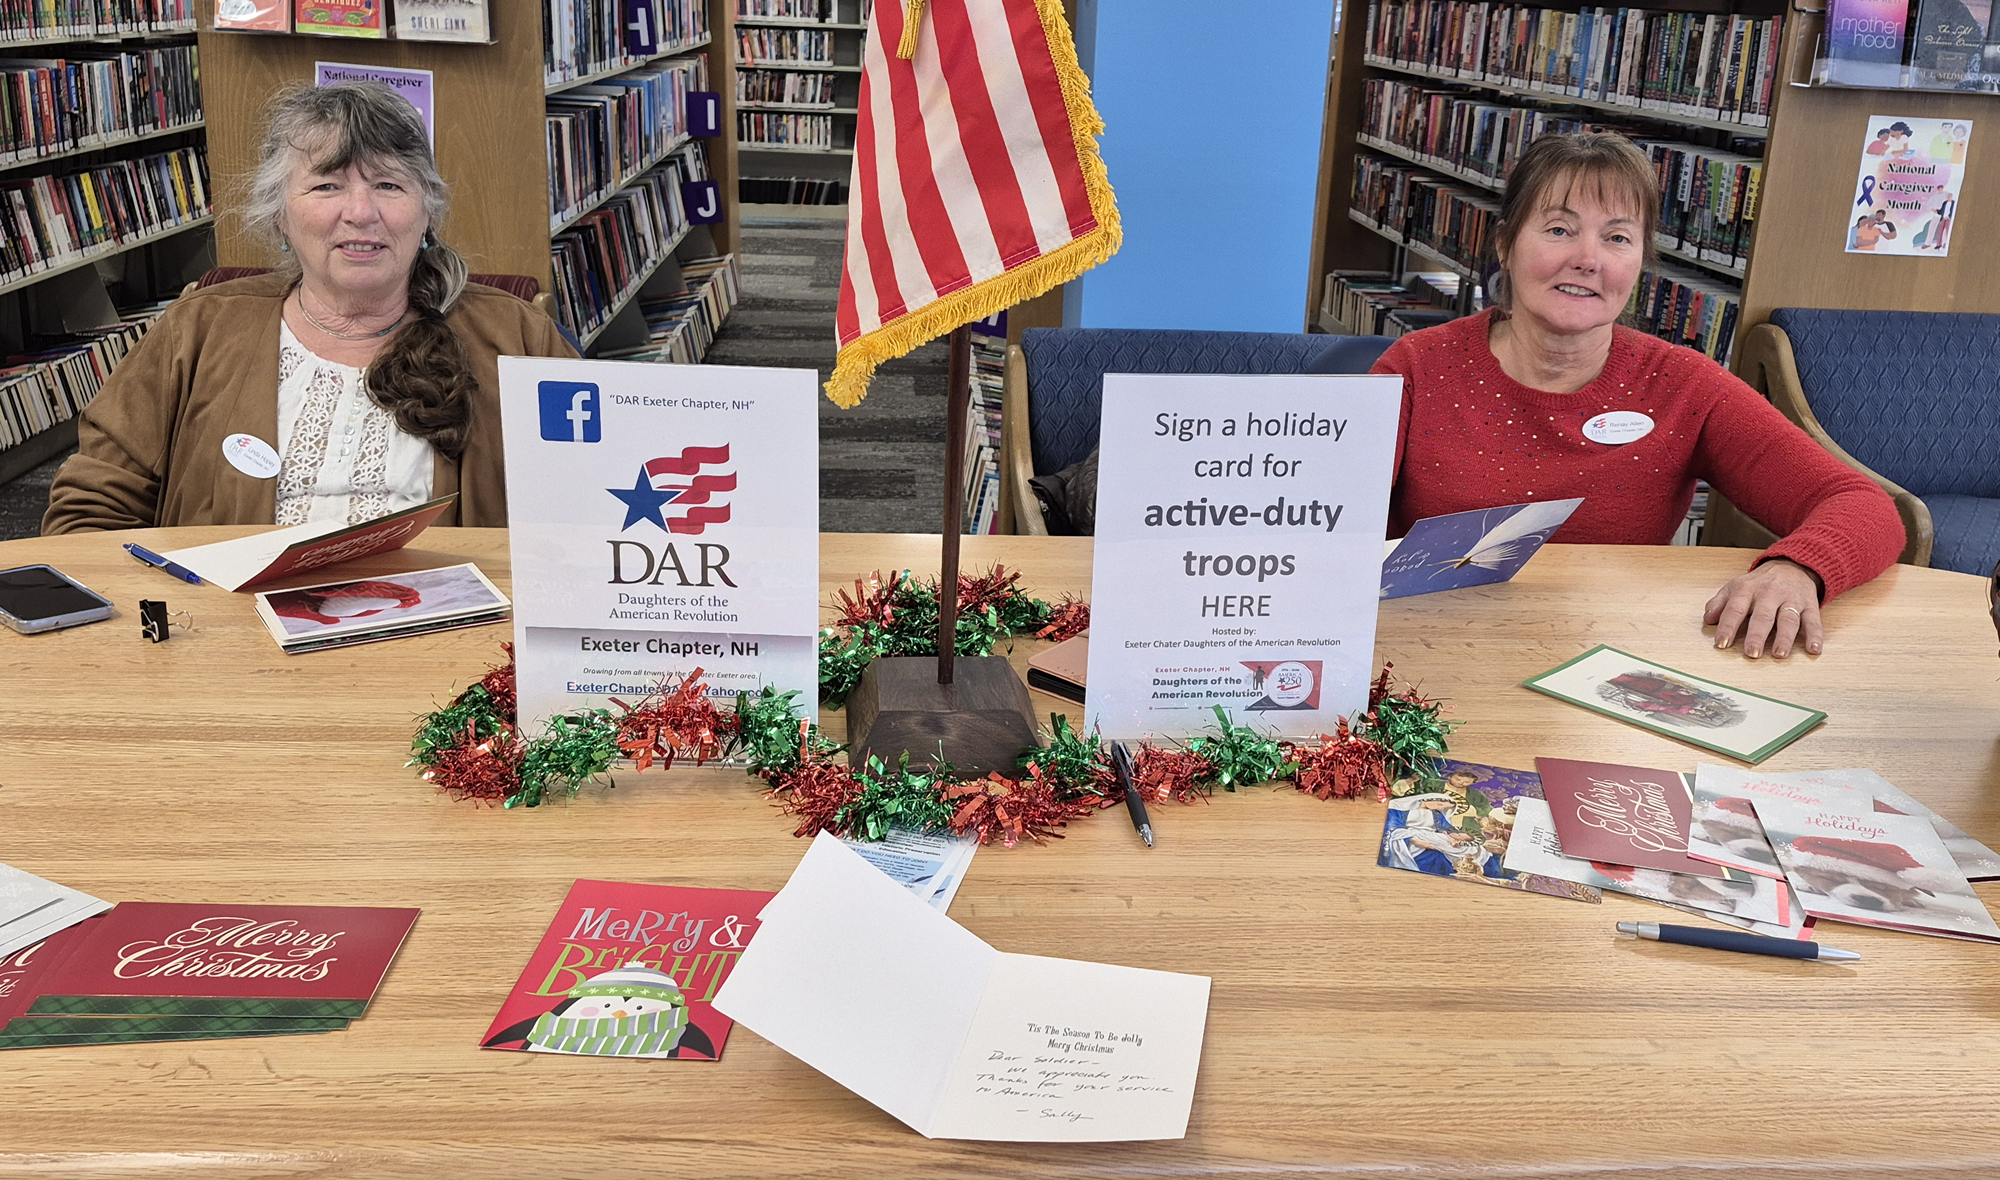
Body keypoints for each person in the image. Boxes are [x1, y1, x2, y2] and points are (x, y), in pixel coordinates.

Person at [1347, 132, 1903, 660]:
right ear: (1506, 245)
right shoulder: (1418, 368)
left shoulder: (1683, 385)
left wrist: (1796, 568)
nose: (1588, 258)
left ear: (1639, 263)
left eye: (1616, 237)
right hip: (1426, 652)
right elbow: (1320, 518)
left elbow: (1865, 506)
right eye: (1559, 230)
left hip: (1609, 657)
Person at [43, 82, 576, 534]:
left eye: (388, 184)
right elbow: (90, 509)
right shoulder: (197, 330)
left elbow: (590, 499)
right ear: (279, 215)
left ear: (428, 209)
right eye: (327, 185)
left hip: (446, 643)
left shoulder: (518, 337)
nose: (361, 213)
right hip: (231, 640)